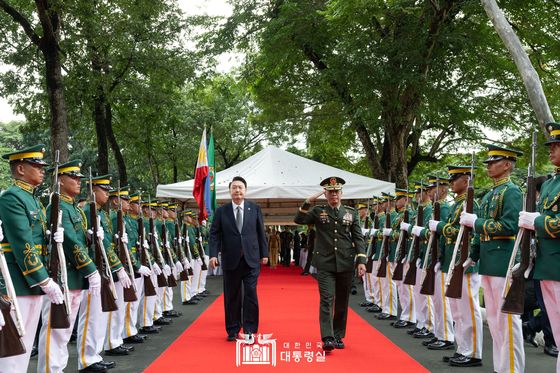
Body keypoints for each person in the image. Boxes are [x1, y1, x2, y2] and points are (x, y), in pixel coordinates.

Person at [461, 144, 525, 373]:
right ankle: (501, 367)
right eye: (488, 162)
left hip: (503, 262)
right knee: (496, 323)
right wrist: (474, 255)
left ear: (507, 165)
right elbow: (482, 232)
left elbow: (509, 226)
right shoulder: (490, 194)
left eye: (494, 162)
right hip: (489, 261)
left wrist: (475, 223)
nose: (489, 166)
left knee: (506, 321)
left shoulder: (512, 191)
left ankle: (511, 369)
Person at [0, 144, 63, 373]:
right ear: (20, 169)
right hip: (19, 281)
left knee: (25, 344)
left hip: (32, 281)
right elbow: (22, 243)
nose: (42, 169)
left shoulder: (34, 200)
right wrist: (43, 279)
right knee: (15, 343)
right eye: (36, 165)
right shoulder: (12, 197)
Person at [38, 160, 101, 373]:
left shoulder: (75, 209)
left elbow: (80, 239)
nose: (78, 182)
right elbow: (71, 242)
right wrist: (90, 269)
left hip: (75, 276)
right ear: (60, 180)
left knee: (65, 329)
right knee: (55, 329)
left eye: (79, 178)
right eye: (73, 177)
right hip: (63, 275)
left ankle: (57, 368)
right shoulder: (57, 206)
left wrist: (92, 237)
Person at [294, 176, 367, 351]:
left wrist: (361, 260)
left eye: (336, 191)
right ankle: (327, 337)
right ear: (325, 194)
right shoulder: (318, 211)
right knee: (326, 299)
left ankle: (337, 335)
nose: (334, 194)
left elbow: (358, 237)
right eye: (330, 192)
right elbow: (299, 220)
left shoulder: (351, 213)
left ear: (341, 193)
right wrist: (307, 202)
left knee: (342, 300)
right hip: (325, 262)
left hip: (346, 262)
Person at [519, 122, 560, 372]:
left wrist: (538, 221)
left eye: (556, 146)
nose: (551, 150)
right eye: (551, 146)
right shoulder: (548, 184)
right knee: (556, 329)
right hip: (545, 265)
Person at [208, 176, 269, 343]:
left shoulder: (254, 209)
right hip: (230, 259)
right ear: (230, 191)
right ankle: (233, 329)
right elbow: (214, 234)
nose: (237, 190)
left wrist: (265, 254)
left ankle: (250, 329)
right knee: (232, 296)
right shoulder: (222, 211)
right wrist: (213, 254)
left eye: (240, 187)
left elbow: (260, 232)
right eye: (234, 187)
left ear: (245, 190)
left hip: (251, 259)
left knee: (250, 294)